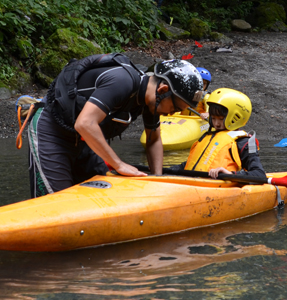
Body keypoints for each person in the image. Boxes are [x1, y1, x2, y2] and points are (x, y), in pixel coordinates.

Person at [26, 55, 203, 197]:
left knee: (100, 197)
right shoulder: (122, 81)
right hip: (51, 130)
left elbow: (153, 139)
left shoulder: (151, 101)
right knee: (58, 201)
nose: (172, 114)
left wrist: (156, 181)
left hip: (83, 141)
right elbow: (85, 123)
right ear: (162, 90)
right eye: (176, 108)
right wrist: (118, 164)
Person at [165, 88, 266, 180]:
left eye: (221, 119)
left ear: (236, 117)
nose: (216, 123)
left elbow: (259, 174)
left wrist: (231, 174)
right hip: (193, 185)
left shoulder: (243, 142)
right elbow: (189, 164)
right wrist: (167, 170)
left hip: (220, 189)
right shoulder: (206, 137)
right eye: (213, 118)